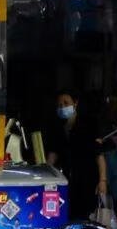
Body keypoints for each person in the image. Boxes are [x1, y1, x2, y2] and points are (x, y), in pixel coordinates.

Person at [45, 90, 106, 222]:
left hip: (89, 180)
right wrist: (45, 173)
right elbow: (53, 155)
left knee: (88, 217)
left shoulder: (89, 124)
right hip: (68, 181)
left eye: (66, 103)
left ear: (75, 103)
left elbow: (99, 155)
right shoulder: (58, 129)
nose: (62, 107)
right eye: (59, 105)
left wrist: (102, 181)